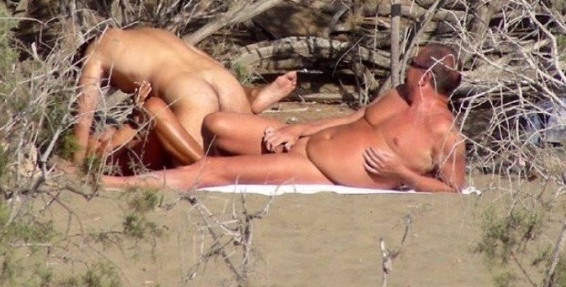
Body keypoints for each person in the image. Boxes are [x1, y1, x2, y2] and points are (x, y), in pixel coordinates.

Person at [102, 43, 465, 192]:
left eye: (413, 65)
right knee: (216, 124)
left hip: (321, 169)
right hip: (307, 142)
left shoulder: (444, 135)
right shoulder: (400, 95)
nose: (407, 69)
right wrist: (301, 127)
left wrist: (400, 174)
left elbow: (453, 192)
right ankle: (162, 160)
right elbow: (360, 117)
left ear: (427, 77)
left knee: (217, 171)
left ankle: (114, 185)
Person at [69, 26, 297, 170]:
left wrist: (77, 161)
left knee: (193, 167)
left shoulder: (94, 52)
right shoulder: (152, 32)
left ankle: (252, 103)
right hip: (224, 80)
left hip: (189, 92)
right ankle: (252, 97)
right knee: (265, 150)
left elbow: (84, 116)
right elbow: (207, 62)